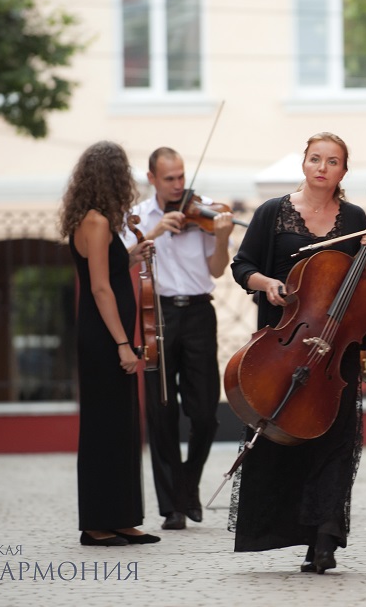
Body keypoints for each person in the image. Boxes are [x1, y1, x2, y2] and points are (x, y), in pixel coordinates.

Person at [228, 132, 366, 574]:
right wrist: (268, 284)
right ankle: (284, 530)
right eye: (316, 159)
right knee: (281, 438)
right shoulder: (272, 212)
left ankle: (324, 539)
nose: (322, 167)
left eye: (332, 161)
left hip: (334, 349)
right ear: (304, 163)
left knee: (334, 440)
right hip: (283, 345)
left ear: (343, 172)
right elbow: (242, 266)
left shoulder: (355, 218)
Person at [120, 146, 234, 531]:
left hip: (200, 312)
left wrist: (222, 238)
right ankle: (172, 506)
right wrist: (153, 233)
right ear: (152, 178)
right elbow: (121, 261)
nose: (177, 184)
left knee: (205, 413)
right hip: (159, 314)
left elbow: (216, 269)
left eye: (181, 176)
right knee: (161, 409)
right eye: (169, 178)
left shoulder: (203, 212)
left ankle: (188, 483)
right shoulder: (137, 216)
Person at [58, 140, 160, 547]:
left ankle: (122, 518)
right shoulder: (97, 222)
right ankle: (97, 524)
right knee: (104, 428)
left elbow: (108, 271)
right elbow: (100, 288)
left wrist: (131, 256)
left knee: (121, 426)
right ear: (113, 178)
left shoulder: (93, 220)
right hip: (104, 339)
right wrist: (122, 343)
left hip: (107, 334)